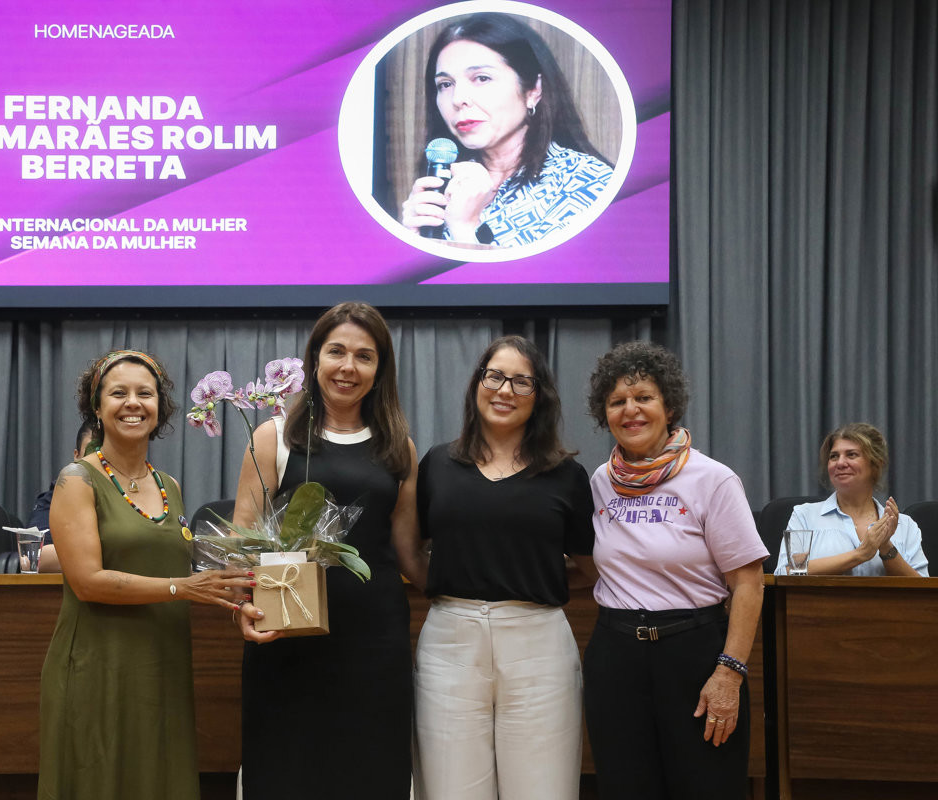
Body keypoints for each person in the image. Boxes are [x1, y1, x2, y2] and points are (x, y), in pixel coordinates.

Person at [38, 350, 253, 800]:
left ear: (160, 407)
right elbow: (87, 582)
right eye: (119, 393)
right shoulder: (76, 480)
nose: (133, 403)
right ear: (97, 407)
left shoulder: (169, 485)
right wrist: (183, 587)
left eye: (145, 393)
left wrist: (238, 585)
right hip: (99, 665)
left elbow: (176, 566)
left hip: (162, 665)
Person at [234, 302, 426, 800]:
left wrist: (471, 581)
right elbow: (242, 542)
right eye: (336, 351)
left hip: (374, 643)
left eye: (364, 356)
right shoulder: (274, 436)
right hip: (287, 636)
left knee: (370, 774)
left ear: (380, 369)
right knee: (286, 774)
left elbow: (408, 552)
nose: (348, 367)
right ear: (314, 359)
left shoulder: (399, 448)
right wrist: (242, 606)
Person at [582, 342, 767, 800]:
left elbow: (747, 583)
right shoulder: (601, 481)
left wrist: (729, 672)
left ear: (669, 406)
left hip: (695, 655)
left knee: (707, 786)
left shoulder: (713, 479)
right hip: (616, 656)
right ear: (604, 413)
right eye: (617, 401)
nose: (631, 410)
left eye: (644, 397)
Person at [413, 335, 595, 800]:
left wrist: (531, 578)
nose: (505, 390)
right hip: (449, 645)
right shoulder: (437, 464)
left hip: (539, 644)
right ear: (477, 383)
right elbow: (410, 550)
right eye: (494, 376)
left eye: (521, 381)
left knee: (544, 790)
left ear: (540, 396)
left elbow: (591, 569)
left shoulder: (567, 475)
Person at [401, 12, 614, 248]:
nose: (458, 99)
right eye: (445, 84)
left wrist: (465, 229)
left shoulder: (588, 181)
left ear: (533, 91)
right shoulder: (445, 181)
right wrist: (411, 242)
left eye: (482, 78)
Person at [774, 423, 928, 577]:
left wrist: (886, 547)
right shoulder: (805, 516)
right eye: (834, 456)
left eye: (851, 455)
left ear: (876, 463)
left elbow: (923, 588)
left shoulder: (904, 525)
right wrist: (860, 554)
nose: (840, 463)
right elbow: (784, 574)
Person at [27, 419, 95, 573]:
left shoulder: (135, 492)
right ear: (76, 456)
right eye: (90, 456)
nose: (98, 464)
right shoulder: (60, 494)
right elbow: (32, 556)